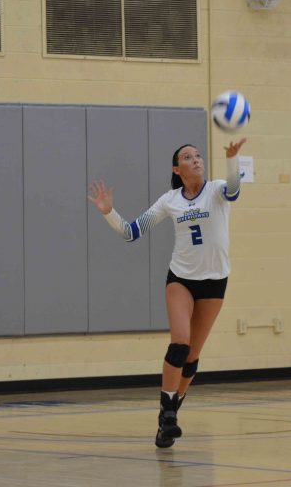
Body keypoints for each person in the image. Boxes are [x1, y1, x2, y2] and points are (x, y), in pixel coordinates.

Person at [87, 138, 246, 448]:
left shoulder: (215, 190)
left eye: (198, 155)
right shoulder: (169, 200)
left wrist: (232, 160)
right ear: (178, 168)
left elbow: (234, 190)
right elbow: (132, 232)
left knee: (192, 357)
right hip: (181, 279)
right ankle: (168, 415)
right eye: (189, 157)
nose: (197, 159)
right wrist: (109, 212)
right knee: (179, 343)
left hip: (215, 281)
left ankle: (169, 416)